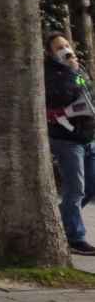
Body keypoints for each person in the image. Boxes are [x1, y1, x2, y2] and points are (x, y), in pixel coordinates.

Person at [46, 34, 95, 256]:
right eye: (59, 47)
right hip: (66, 139)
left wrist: (76, 72)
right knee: (75, 189)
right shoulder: (51, 74)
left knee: (90, 186)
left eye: (67, 45)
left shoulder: (77, 69)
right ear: (50, 53)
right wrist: (71, 71)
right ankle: (75, 237)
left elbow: (87, 91)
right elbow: (61, 97)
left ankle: (57, 220)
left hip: (86, 137)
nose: (65, 50)